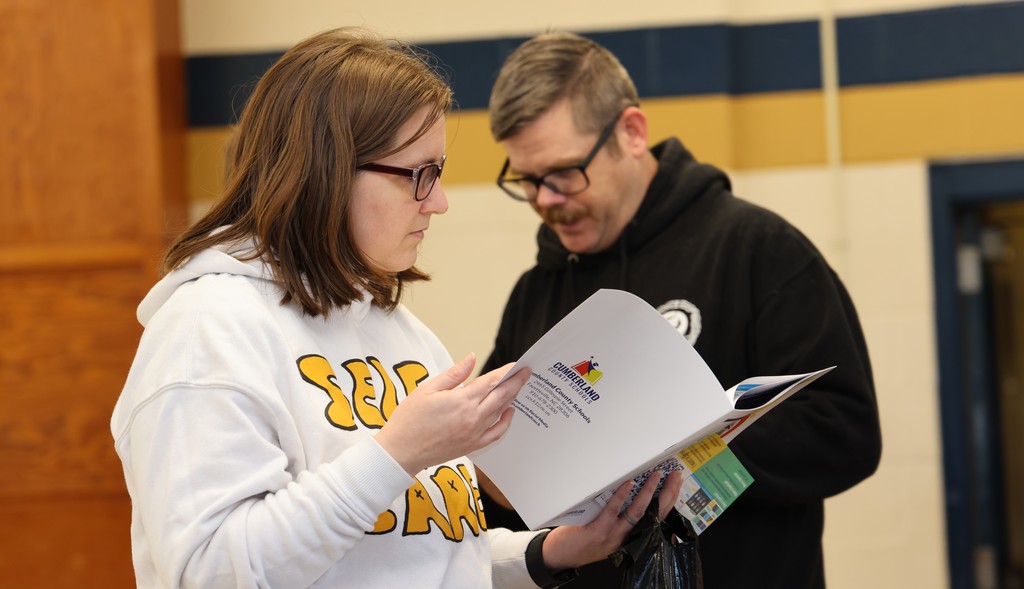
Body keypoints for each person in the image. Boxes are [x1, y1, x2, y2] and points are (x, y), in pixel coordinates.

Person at [110, 27, 682, 589]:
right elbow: (209, 572)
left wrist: (549, 553)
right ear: (327, 171)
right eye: (420, 175)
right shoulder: (207, 329)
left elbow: (423, 556)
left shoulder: (402, 332)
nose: (439, 202)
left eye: (439, 174)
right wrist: (398, 453)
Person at [475, 31, 883, 589]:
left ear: (631, 133)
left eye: (565, 173)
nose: (545, 199)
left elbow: (844, 435)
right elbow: (491, 474)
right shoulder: (537, 290)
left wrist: (679, 457)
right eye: (527, 179)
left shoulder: (757, 251)